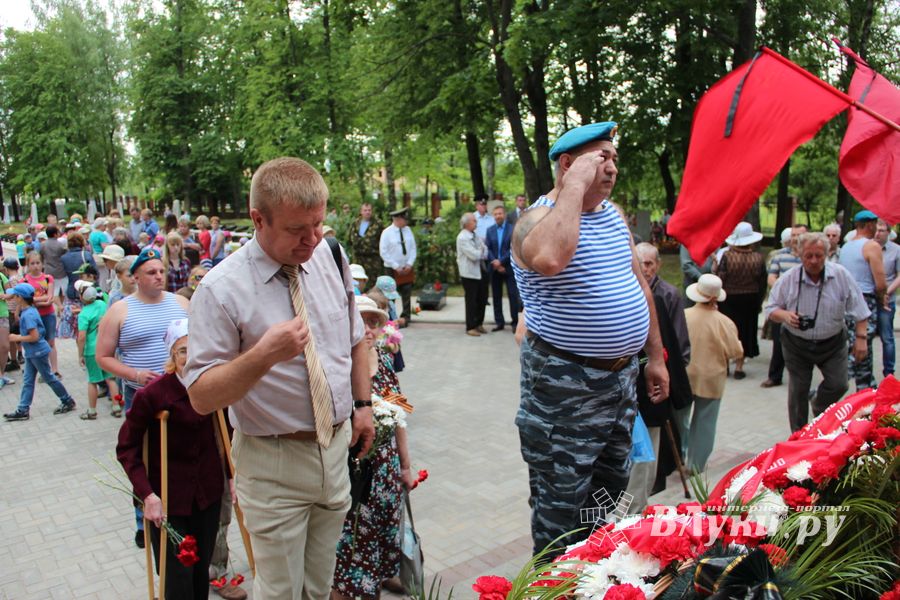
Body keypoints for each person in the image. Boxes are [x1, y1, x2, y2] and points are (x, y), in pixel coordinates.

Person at [184, 157, 375, 599]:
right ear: (258, 219)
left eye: (318, 224)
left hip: (334, 448)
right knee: (280, 592)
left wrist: (363, 408)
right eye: (296, 230)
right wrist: (263, 355)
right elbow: (201, 396)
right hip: (272, 461)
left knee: (318, 587)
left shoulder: (330, 255)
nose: (311, 240)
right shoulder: (220, 289)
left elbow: (354, 341)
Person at [510, 122, 668, 555]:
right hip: (565, 389)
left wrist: (655, 355)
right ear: (567, 164)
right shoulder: (535, 221)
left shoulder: (613, 216)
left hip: (618, 385)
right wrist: (574, 187)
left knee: (607, 492)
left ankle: (590, 570)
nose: (612, 167)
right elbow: (550, 257)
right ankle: (554, 581)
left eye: (614, 158)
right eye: (601, 158)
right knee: (560, 504)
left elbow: (640, 285)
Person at [117, 319, 227, 600]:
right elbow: (127, 448)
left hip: (207, 494)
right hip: (167, 499)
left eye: (196, 349)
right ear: (172, 355)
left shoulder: (212, 387)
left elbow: (227, 436)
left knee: (201, 569)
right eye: (182, 351)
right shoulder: (152, 395)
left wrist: (232, 477)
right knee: (178, 574)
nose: (190, 357)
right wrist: (147, 495)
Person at [96, 246, 190, 547]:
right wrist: (134, 374)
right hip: (142, 396)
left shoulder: (181, 303)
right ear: (135, 277)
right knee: (145, 458)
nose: (159, 276)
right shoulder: (120, 310)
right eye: (151, 272)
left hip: (183, 395)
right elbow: (102, 357)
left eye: (161, 270)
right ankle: (143, 519)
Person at [332, 295, 414, 600]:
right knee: (348, 553)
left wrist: (405, 467)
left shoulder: (386, 364)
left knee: (381, 543)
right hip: (352, 478)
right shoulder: (340, 368)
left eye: (372, 322)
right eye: (361, 321)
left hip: (386, 474)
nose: (367, 328)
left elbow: (400, 417)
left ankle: (379, 582)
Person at [766, 233, 870, 431]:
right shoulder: (788, 279)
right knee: (798, 391)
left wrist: (861, 338)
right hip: (796, 344)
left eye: (819, 256)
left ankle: (819, 403)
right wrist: (785, 315)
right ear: (799, 254)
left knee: (839, 384)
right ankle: (798, 436)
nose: (814, 261)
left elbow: (860, 309)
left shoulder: (840, 275)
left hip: (833, 342)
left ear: (828, 253)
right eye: (808, 256)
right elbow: (771, 309)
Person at [626, 243, 692, 511]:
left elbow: (675, 347)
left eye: (649, 263)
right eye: (639, 263)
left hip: (650, 397)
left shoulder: (665, 297)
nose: (645, 269)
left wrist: (676, 390)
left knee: (644, 464)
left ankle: (634, 513)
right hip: (620, 399)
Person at [678, 274, 743, 472]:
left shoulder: (683, 315)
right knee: (705, 423)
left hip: (685, 375)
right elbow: (736, 352)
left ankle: (679, 456)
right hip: (712, 378)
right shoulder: (725, 322)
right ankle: (696, 464)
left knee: (680, 419)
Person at [2, 283, 77, 421]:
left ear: (20, 298)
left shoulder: (28, 315)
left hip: (37, 352)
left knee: (48, 377)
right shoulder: (29, 310)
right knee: (28, 381)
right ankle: (23, 409)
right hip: (32, 353)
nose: (12, 298)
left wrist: (17, 337)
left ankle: (67, 400)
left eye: (14, 296)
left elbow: (34, 336)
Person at [839, 210, 886, 390]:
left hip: (846, 300)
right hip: (865, 299)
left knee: (857, 345)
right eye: (876, 224)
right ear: (869, 225)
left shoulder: (847, 246)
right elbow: (880, 282)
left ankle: (866, 388)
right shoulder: (871, 246)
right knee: (861, 347)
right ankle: (829, 386)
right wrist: (882, 298)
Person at [714, 222, 766, 380]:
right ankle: (739, 366)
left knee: (727, 331)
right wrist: (759, 302)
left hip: (729, 299)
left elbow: (720, 278)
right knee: (745, 332)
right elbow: (762, 282)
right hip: (750, 300)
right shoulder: (758, 258)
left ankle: (726, 364)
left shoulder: (727, 256)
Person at [761, 224, 807, 388]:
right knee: (779, 342)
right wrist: (785, 290)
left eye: (799, 235)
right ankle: (775, 376)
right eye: (793, 235)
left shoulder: (809, 256)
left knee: (803, 342)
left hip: (804, 305)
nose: (795, 238)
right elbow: (771, 278)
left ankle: (801, 378)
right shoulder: (779, 256)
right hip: (782, 305)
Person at [76, 285, 120, 419]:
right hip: (106, 345)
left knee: (92, 381)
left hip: (91, 350)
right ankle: (116, 406)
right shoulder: (102, 304)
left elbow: (82, 336)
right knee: (110, 378)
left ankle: (92, 410)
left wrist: (80, 354)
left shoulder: (83, 314)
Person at [379, 208, 416, 326]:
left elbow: (413, 248)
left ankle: (406, 317)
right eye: (404, 219)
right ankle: (391, 318)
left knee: (406, 293)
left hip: (407, 267)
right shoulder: (387, 232)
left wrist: (410, 263)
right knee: (390, 294)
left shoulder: (408, 230)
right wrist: (396, 266)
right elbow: (383, 252)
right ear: (397, 219)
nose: (406, 222)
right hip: (392, 268)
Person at [485, 204, 520, 332]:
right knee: (496, 296)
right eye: (495, 214)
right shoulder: (490, 230)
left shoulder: (512, 229)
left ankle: (515, 322)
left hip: (508, 268)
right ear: (493, 216)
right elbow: (487, 248)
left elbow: (513, 248)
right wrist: (495, 262)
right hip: (494, 269)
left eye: (500, 213)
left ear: (504, 215)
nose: (498, 216)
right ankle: (499, 322)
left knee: (512, 295)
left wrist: (501, 262)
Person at [456, 212, 488, 336]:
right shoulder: (462, 237)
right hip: (469, 274)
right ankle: (470, 326)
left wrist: (481, 251)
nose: (476, 222)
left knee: (482, 299)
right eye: (474, 220)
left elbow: (485, 250)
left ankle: (479, 323)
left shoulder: (475, 235)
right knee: (471, 301)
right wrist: (481, 251)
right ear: (467, 223)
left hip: (480, 271)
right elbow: (474, 255)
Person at [876, 220, 900, 378]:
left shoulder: (896, 250)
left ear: (888, 232)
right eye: (876, 230)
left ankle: (889, 373)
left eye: (882, 230)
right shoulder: (867, 247)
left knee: (887, 337)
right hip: (869, 298)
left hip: (887, 299)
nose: (878, 233)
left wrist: (886, 292)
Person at [349, 203, 384, 285]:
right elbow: (351, 239)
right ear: (361, 212)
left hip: (372, 259)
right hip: (358, 258)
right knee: (357, 281)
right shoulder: (355, 223)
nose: (367, 212)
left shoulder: (378, 223)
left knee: (372, 282)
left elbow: (381, 239)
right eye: (365, 210)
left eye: (369, 210)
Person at [40, 225, 68, 301]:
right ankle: (61, 307)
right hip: (61, 271)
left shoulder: (43, 245)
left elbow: (41, 257)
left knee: (52, 292)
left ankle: (57, 307)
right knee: (62, 292)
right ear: (55, 234)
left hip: (48, 271)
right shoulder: (61, 245)